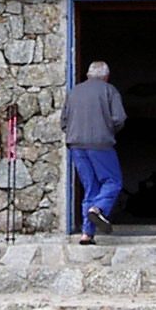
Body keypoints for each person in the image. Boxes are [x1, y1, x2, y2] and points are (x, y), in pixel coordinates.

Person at [61, 60, 125, 244]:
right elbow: (119, 118)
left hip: (76, 145)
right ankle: (97, 209)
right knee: (113, 181)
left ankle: (86, 234)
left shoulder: (74, 92)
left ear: (88, 75)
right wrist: (107, 130)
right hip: (100, 145)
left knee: (91, 187)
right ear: (106, 76)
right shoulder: (109, 90)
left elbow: (64, 121)